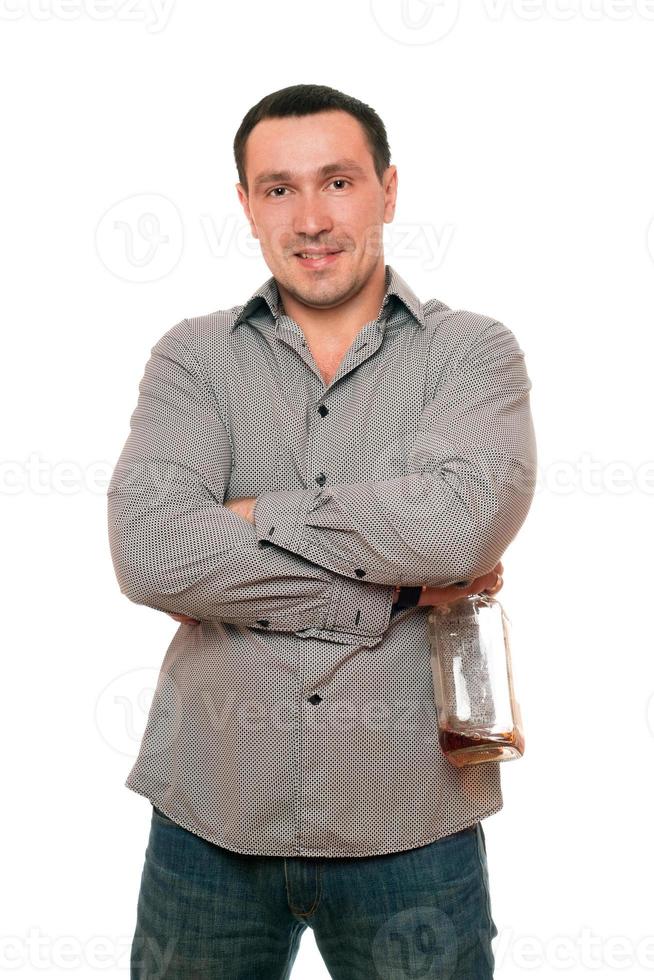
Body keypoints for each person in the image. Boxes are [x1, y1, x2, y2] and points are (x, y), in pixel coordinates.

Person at [107, 83, 537, 979]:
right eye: (279, 189)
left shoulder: (472, 353)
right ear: (246, 206)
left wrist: (251, 515)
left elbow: (459, 530)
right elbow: (150, 550)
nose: (310, 218)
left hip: (411, 822)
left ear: (387, 188)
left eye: (337, 183)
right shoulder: (194, 357)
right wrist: (398, 589)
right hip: (208, 817)